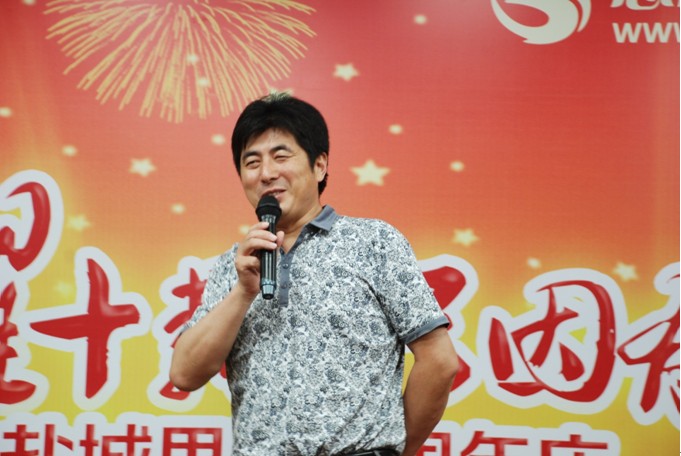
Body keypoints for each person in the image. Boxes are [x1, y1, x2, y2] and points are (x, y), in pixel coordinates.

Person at [170, 92, 459, 456]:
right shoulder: (236, 264)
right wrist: (243, 292)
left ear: (320, 165)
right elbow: (184, 374)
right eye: (252, 162)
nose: (266, 173)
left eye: (281, 156)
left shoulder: (374, 242)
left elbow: (439, 360)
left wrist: (398, 451)